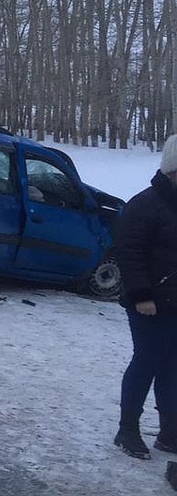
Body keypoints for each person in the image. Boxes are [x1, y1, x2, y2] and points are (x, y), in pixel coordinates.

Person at [113, 134, 177, 460]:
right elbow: (129, 251)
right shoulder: (145, 204)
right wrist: (141, 295)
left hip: (175, 303)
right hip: (148, 303)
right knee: (146, 363)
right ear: (172, 170)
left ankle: (169, 432)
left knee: (171, 367)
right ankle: (127, 430)